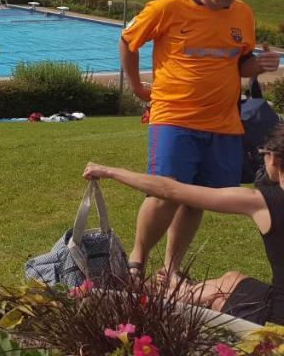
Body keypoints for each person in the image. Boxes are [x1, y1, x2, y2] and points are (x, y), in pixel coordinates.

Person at [119, 0, 280, 280]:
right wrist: (136, 87)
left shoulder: (242, 14)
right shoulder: (166, 8)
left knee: (197, 200)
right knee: (165, 192)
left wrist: (259, 66)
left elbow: (239, 65)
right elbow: (128, 40)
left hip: (223, 121)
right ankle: (136, 260)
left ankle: (171, 270)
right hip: (174, 115)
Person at [83, 126, 284, 326]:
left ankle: (158, 297)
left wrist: (109, 171)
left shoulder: (263, 202)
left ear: (273, 158)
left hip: (278, 317)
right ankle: (172, 292)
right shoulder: (263, 201)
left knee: (215, 298)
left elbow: (170, 190)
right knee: (232, 279)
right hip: (277, 298)